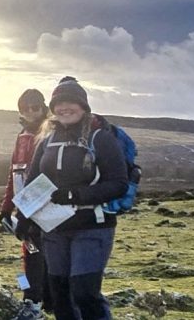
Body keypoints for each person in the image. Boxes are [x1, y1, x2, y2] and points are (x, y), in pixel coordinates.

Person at [18, 77, 128, 320]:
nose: (64, 108)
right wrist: (23, 218)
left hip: (92, 226)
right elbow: (34, 183)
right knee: (60, 295)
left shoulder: (100, 138)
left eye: (71, 102)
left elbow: (119, 184)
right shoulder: (47, 140)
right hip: (54, 229)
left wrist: (75, 194)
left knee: (84, 293)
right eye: (59, 103)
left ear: (83, 106)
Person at [0, 89, 52, 320]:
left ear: (43, 107)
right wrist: (6, 208)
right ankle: (37, 299)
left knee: (40, 254)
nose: (30, 112)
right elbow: (15, 173)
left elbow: (47, 175)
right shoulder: (22, 136)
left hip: (45, 206)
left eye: (35, 107)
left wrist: (25, 211)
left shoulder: (50, 134)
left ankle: (35, 302)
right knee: (32, 253)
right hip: (25, 208)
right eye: (25, 108)